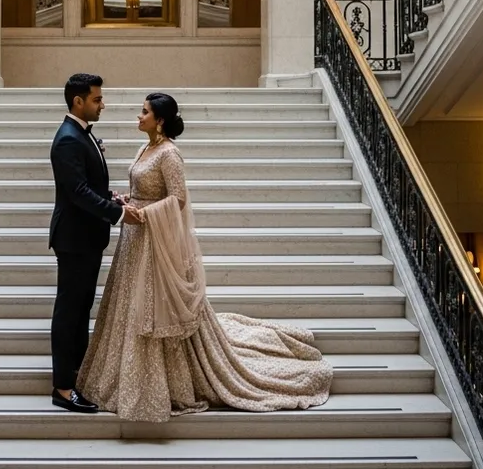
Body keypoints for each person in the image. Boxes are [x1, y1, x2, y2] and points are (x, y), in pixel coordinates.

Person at [76, 92, 333, 421]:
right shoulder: (146, 147)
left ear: (161, 120)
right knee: (131, 306)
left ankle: (170, 383)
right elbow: (147, 191)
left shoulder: (169, 153)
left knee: (154, 309)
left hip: (154, 241)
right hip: (135, 240)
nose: (138, 117)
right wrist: (128, 199)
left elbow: (179, 199)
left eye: (144, 112)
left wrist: (144, 213)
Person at [48, 73, 144, 414]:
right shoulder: (69, 139)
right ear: (78, 102)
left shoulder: (80, 136)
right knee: (68, 312)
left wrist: (112, 199)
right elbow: (76, 192)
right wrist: (118, 215)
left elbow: (88, 183)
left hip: (86, 238)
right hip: (74, 239)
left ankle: (77, 374)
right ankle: (62, 387)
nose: (102, 104)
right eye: (97, 99)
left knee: (80, 310)